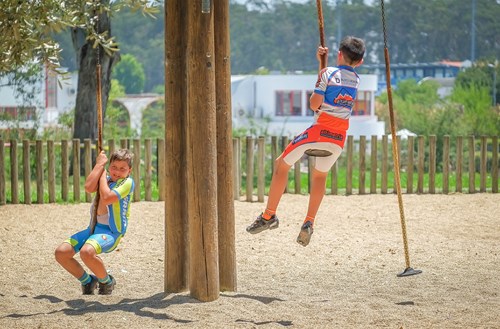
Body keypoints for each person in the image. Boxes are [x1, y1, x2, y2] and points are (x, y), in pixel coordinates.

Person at [246, 36, 365, 247]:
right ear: (360, 62)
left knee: (281, 164)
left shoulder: (327, 73)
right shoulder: (356, 80)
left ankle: (268, 216)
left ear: (339, 54)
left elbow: (315, 104)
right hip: (338, 140)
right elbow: (334, 83)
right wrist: (323, 63)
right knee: (320, 176)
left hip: (318, 133)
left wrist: (322, 67)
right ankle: (309, 221)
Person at [55, 149, 135, 295]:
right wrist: (99, 166)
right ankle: (87, 281)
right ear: (109, 165)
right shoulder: (106, 177)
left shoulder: (127, 183)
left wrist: (103, 177)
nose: (117, 172)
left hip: (111, 232)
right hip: (93, 229)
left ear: (129, 170)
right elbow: (88, 188)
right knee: (61, 253)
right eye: (114, 167)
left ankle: (107, 281)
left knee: (87, 252)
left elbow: (107, 198)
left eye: (122, 168)